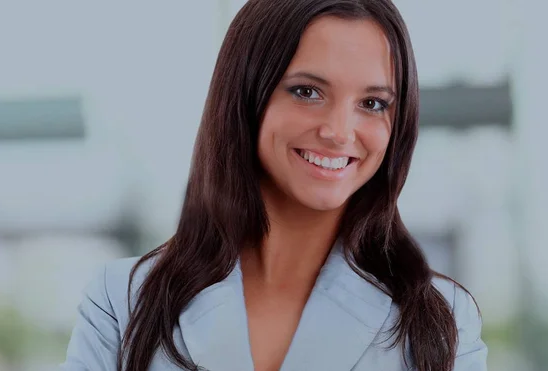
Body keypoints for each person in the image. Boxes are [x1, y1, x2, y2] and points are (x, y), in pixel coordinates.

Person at [61, 0, 488, 370]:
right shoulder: (123, 301)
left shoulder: (441, 318)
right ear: (246, 96)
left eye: (372, 104)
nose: (340, 132)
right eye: (307, 91)